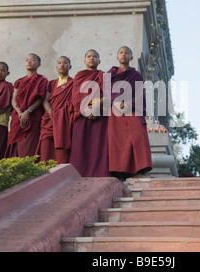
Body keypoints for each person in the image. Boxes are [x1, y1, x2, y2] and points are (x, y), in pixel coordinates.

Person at [107, 46, 152, 180]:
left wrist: (126, 103)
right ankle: (119, 172)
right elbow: (105, 90)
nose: (123, 55)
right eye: (121, 53)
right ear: (117, 57)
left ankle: (139, 170)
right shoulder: (111, 74)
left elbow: (140, 95)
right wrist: (116, 101)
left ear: (131, 57)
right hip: (115, 112)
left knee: (138, 136)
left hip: (131, 110)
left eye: (127, 53)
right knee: (117, 141)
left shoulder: (136, 75)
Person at [69, 49, 110, 177]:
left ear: (99, 61)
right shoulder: (79, 76)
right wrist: (87, 108)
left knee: (98, 146)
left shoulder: (104, 76)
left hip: (100, 114)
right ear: (84, 60)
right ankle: (78, 173)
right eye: (89, 56)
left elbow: (109, 95)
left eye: (95, 56)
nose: (92, 58)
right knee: (80, 145)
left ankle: (100, 173)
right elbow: (75, 97)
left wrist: (95, 106)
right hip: (82, 114)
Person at [5, 54, 48, 158]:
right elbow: (14, 99)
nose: (29, 62)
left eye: (32, 60)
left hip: (33, 117)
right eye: (27, 60)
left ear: (39, 64)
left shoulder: (42, 80)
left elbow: (40, 99)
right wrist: (20, 112)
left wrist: (28, 111)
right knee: (14, 145)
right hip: (18, 117)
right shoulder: (19, 81)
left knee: (29, 147)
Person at [36, 56, 74, 164]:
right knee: (46, 147)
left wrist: (60, 114)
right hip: (49, 120)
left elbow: (73, 102)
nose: (62, 65)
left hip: (64, 120)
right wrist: (51, 113)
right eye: (59, 63)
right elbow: (45, 100)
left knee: (61, 152)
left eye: (65, 63)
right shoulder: (51, 83)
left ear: (70, 66)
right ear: (56, 67)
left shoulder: (73, 83)